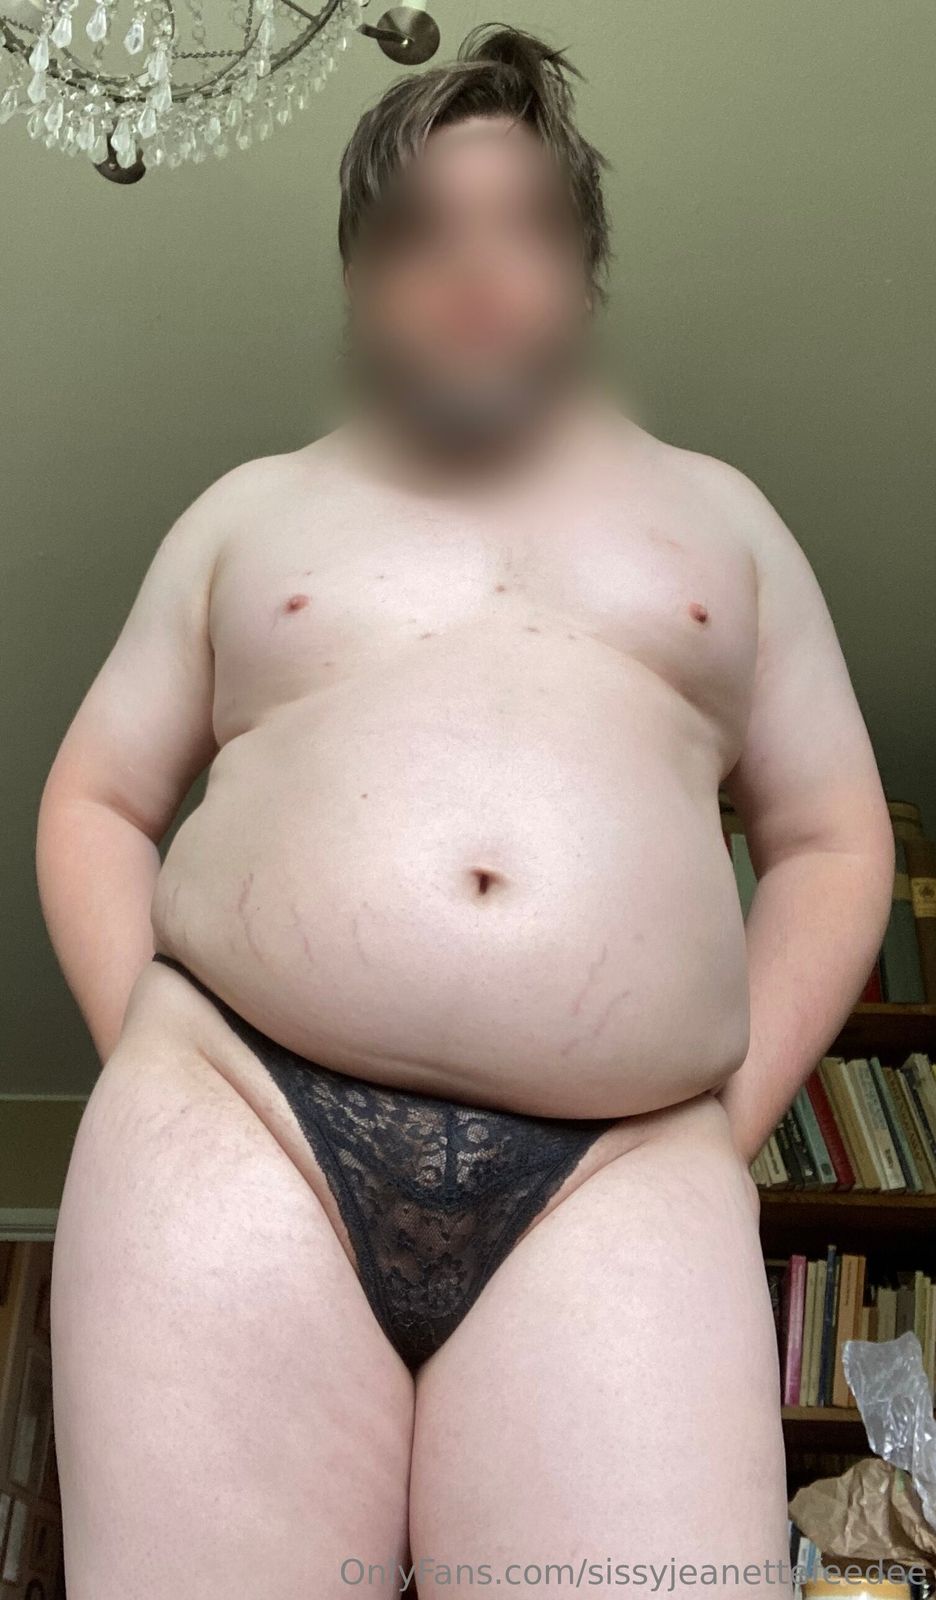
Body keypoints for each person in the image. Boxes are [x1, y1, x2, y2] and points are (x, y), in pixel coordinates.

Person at [36, 24, 894, 1599]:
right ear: (361, 280)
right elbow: (95, 796)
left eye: (525, 225)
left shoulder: (728, 520)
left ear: (586, 271)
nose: (476, 269)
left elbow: (834, 840)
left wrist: (722, 1117)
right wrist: (155, 1063)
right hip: (239, 1121)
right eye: (424, 230)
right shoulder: (244, 510)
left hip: (621, 1173)